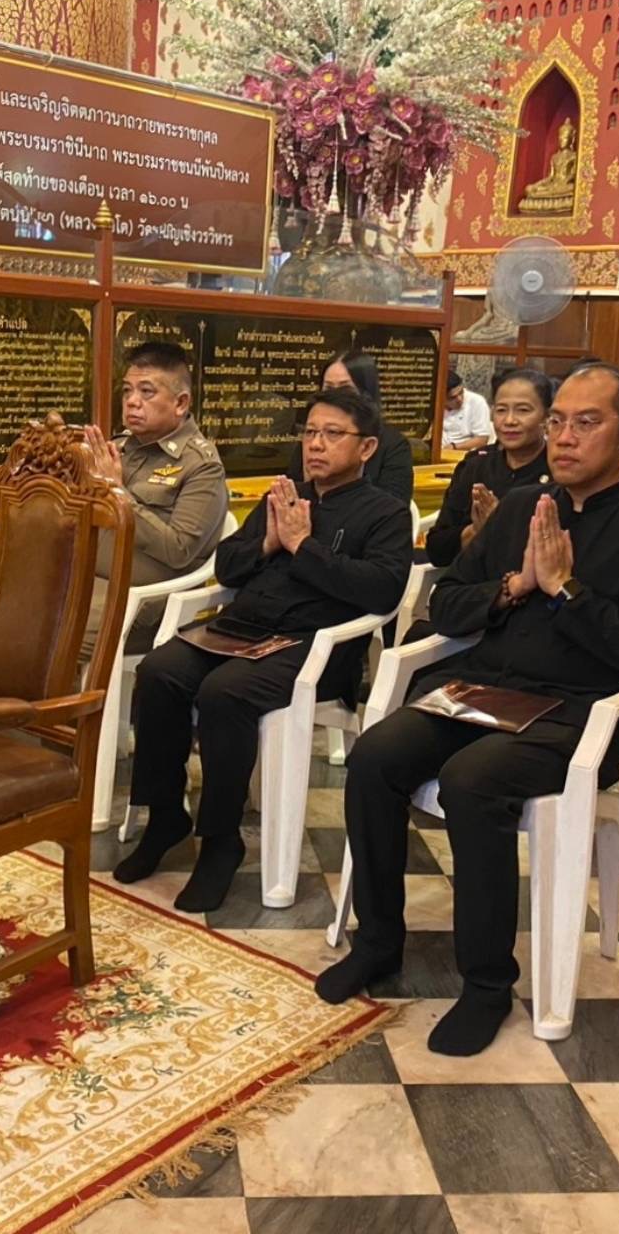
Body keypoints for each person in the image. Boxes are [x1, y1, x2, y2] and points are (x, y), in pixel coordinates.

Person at [317, 365, 619, 1056]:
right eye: (559, 421)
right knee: (374, 757)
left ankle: (487, 984)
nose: (565, 437)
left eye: (588, 423)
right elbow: (448, 604)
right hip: (485, 691)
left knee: (473, 780)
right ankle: (379, 942)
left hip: (579, 712)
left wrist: (566, 590)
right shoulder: (526, 505)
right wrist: (513, 585)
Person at [112, 387, 412, 912]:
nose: (316, 445)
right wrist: (271, 542)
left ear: (365, 449)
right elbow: (227, 565)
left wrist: (304, 547)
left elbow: (382, 592)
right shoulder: (286, 494)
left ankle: (221, 840)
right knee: (160, 672)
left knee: (225, 694)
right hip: (242, 630)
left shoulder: (384, 514)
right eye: (310, 433)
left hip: (311, 647)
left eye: (332, 434)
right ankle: (164, 817)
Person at [83, 341, 228, 652]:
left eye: (147, 392)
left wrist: (118, 493)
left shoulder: (201, 466)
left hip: (141, 600)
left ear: (180, 403)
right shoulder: (119, 448)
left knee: (40, 639)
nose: (133, 402)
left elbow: (178, 550)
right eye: (126, 391)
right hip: (83, 579)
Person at [425, 368, 553, 569]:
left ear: (547, 416)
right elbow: (437, 550)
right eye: (501, 410)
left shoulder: (559, 469)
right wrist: (477, 530)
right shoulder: (476, 465)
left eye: (523, 410)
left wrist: (498, 525)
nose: (509, 421)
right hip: (467, 586)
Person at [285, 351, 415, 503]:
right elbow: (290, 494)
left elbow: (393, 508)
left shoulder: (393, 444)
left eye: (345, 389)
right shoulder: (313, 438)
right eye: (328, 388)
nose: (336, 397)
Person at [441, 370, 494, 451]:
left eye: (461, 392)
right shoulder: (436, 404)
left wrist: (454, 447)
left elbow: (482, 439)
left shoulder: (477, 402)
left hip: (466, 454)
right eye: (452, 398)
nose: (459, 399)